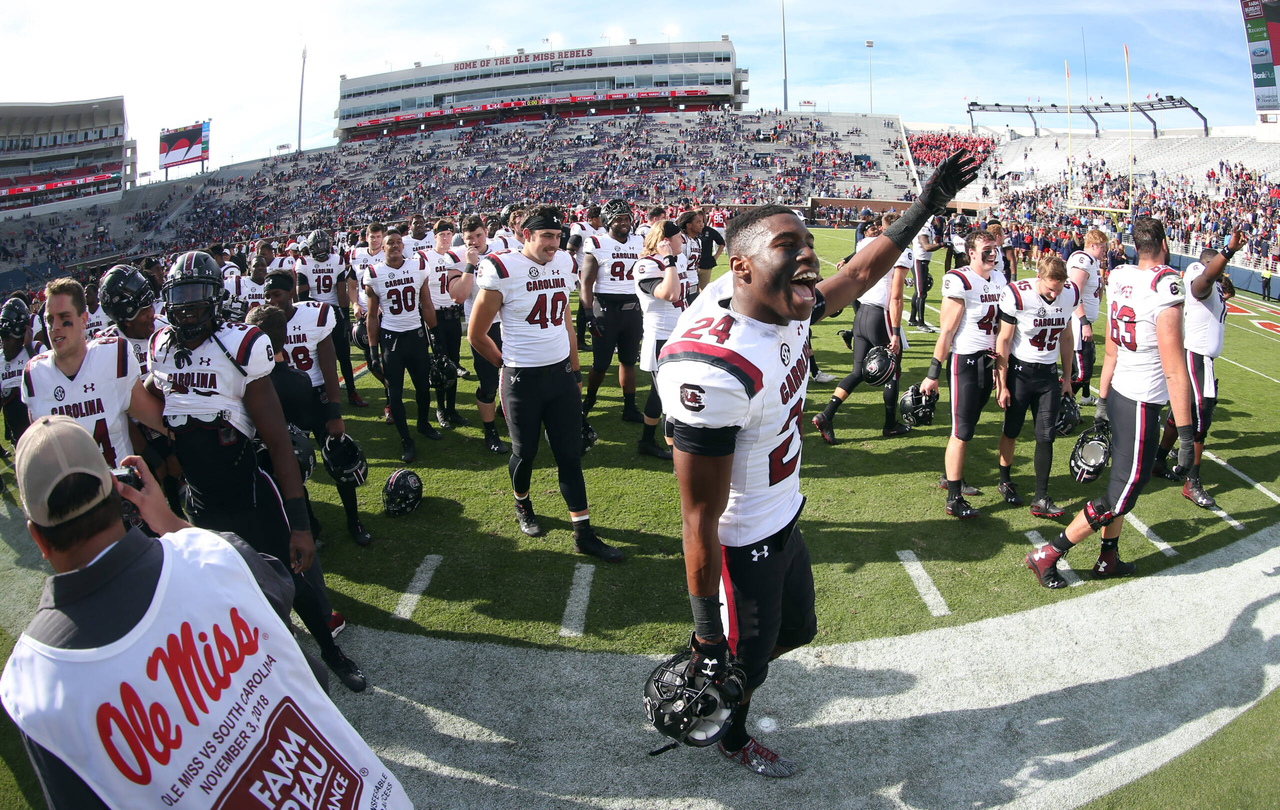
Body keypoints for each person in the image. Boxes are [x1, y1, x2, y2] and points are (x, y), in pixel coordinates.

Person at [656, 151, 977, 777]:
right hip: (742, 537)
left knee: (796, 631)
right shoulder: (711, 369)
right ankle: (730, 729)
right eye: (789, 246)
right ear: (742, 267)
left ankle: (734, 666)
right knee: (743, 657)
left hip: (785, 515)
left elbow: (858, 273)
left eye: (808, 243)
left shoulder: (778, 302)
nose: (809, 256)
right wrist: (704, 632)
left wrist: (925, 206)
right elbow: (697, 517)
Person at [0, 415, 410, 809]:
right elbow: (304, 659)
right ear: (119, 491)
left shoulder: (33, 688)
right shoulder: (209, 553)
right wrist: (172, 523)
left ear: (36, 536)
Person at [144, 251, 366, 690]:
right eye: (180, 298)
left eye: (195, 297)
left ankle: (332, 651)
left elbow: (279, 442)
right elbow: (156, 397)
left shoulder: (241, 344)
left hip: (249, 490)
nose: (187, 309)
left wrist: (300, 524)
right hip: (202, 502)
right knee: (231, 591)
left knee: (295, 578)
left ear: (215, 298)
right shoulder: (160, 349)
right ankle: (271, 664)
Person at [1027, 218, 1195, 588]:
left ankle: (1108, 557)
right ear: (1164, 244)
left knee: (1121, 485)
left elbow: (1113, 350)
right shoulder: (1164, 284)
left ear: (1135, 246)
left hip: (1119, 392)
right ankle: (1048, 553)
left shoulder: (1121, 277)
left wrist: (1102, 400)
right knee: (1120, 495)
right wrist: (1185, 436)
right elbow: (1175, 371)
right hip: (1141, 403)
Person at [468, 204, 623, 562]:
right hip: (522, 379)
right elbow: (476, 333)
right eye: (547, 236)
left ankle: (583, 532)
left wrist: (574, 367)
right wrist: (506, 365)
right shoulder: (502, 267)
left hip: (561, 377)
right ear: (527, 235)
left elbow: (566, 320)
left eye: (558, 236)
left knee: (570, 454)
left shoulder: (565, 263)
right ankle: (522, 504)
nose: (554, 243)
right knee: (526, 452)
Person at [261, 272, 373, 545]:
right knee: (291, 466)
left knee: (341, 460)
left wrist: (335, 413)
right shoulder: (261, 323)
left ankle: (353, 519)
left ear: (291, 294)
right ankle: (308, 524)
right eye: (267, 296)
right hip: (285, 401)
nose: (271, 301)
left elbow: (328, 367)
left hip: (316, 396)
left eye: (276, 295)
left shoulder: (314, 315)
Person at [21, 278, 167, 468]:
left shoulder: (111, 357)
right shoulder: (35, 375)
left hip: (120, 490)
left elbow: (156, 418)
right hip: (72, 494)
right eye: (50, 319)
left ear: (83, 320)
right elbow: (38, 450)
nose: (55, 326)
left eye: (64, 318)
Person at [919, 228, 1009, 518]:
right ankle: (953, 498)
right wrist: (933, 373)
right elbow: (946, 331)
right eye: (986, 249)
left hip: (988, 360)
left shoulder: (999, 277)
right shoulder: (960, 279)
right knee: (962, 430)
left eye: (994, 248)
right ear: (971, 253)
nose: (993, 253)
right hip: (966, 361)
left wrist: (1000, 365)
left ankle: (951, 477)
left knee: (969, 425)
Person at [1151, 233, 1242, 507]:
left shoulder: (1213, 288)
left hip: (1199, 357)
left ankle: (1158, 459)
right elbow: (1206, 279)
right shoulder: (1200, 280)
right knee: (1199, 423)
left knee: (1180, 413)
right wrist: (1228, 251)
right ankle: (1193, 480)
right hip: (1196, 357)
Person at [813, 212, 913, 442]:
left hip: (862, 313)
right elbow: (896, 296)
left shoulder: (866, 242)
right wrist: (896, 333)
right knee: (893, 371)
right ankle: (890, 425)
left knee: (858, 372)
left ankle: (826, 415)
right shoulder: (902, 251)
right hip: (881, 314)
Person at [992, 255, 1077, 517]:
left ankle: (1041, 496)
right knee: (1012, 430)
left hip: (1048, 376)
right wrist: (1002, 383)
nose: (1054, 294)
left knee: (1046, 436)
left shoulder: (1069, 293)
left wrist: (1068, 377)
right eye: (1050, 288)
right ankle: (1004, 479)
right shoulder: (1019, 294)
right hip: (1020, 373)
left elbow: (1066, 336)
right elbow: (1003, 340)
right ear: (1039, 277)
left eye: (1059, 288)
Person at [366, 230, 440, 462]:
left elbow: (426, 303)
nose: (396, 246)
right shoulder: (375, 273)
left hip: (416, 335)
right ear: (383, 247)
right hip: (391, 339)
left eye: (399, 242)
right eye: (391, 243)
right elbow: (371, 316)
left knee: (422, 387)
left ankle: (422, 423)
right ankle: (405, 439)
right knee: (395, 394)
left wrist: (435, 335)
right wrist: (372, 350)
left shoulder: (418, 266)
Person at [634, 219, 699, 460]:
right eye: (678, 237)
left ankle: (647, 441)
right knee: (671, 402)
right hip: (661, 338)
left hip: (679, 332)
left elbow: (686, 293)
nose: (682, 240)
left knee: (657, 393)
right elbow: (670, 294)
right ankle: (677, 457)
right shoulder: (646, 265)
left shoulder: (678, 259)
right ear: (665, 241)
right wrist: (669, 260)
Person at [581, 199, 645, 423]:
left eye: (627, 218)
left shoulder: (639, 242)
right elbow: (586, 282)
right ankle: (589, 400)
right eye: (618, 219)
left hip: (633, 308)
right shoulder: (597, 243)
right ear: (608, 221)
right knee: (600, 363)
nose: (624, 222)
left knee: (628, 360)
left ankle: (629, 407)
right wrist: (589, 314)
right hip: (606, 309)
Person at [449, 215, 509, 453]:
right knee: (488, 382)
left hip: (506, 324)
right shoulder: (456, 257)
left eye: (478, 236)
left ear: (486, 233)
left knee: (514, 373)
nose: (474, 241)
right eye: (469, 238)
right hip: (481, 327)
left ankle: (507, 412)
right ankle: (490, 432)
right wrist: (470, 264)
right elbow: (458, 296)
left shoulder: (501, 251)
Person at [295, 228, 367, 407]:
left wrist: (344, 318)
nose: (320, 250)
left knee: (344, 356)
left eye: (323, 245)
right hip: (314, 314)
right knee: (320, 357)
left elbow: (341, 291)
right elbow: (301, 296)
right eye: (317, 246)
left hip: (332, 313)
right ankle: (324, 394)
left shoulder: (337, 260)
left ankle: (352, 392)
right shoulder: (303, 263)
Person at [419, 219, 470, 429]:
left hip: (452, 314)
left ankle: (451, 409)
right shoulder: (424, 257)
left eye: (449, 234)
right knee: (441, 364)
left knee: (454, 362)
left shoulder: (457, 254)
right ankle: (440, 409)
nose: (446, 238)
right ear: (435, 237)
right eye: (442, 235)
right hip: (435, 316)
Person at [1067, 229, 1108, 406]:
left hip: (1084, 320)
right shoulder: (1083, 260)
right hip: (1078, 322)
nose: (1106, 251)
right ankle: (1058, 400)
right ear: (1093, 245)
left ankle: (1079, 398)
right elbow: (1075, 293)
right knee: (1083, 372)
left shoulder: (1092, 262)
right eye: (1103, 247)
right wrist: (1084, 322)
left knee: (1084, 364)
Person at [0, 298, 38, 450]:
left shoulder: (36, 349)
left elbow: (48, 376)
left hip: (42, 437)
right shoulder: (0, 360)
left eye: (8, 338)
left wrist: (28, 347)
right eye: (2, 338)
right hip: (20, 444)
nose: (4, 343)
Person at [910, 214, 943, 331]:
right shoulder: (924, 229)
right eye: (935, 218)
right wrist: (943, 244)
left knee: (919, 291)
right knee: (921, 293)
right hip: (919, 261)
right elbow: (926, 247)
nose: (937, 221)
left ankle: (912, 318)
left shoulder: (928, 228)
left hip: (922, 261)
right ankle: (921, 323)